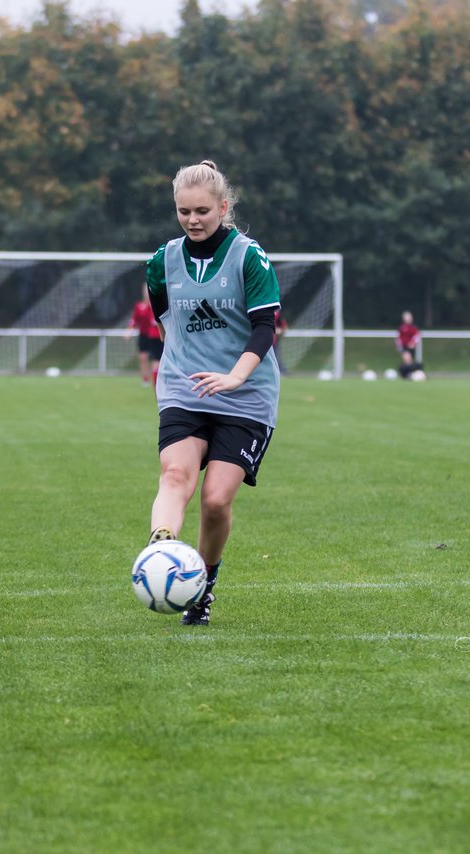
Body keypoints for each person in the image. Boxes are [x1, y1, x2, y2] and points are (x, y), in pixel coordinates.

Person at [143, 160, 281, 626]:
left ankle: (202, 585)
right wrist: (180, 370)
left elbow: (265, 327)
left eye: (202, 210)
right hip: (186, 388)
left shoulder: (249, 257)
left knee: (217, 499)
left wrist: (235, 377)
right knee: (175, 474)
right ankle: (162, 545)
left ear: (223, 207)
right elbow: (166, 324)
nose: (193, 220)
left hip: (247, 393)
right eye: (184, 212)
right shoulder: (161, 262)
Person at [127, 285, 163, 387]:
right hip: (147, 335)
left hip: (157, 335)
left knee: (157, 360)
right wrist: (129, 332)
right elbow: (135, 320)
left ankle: (158, 381)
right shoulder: (141, 307)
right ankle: (147, 379)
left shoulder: (158, 304)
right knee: (145, 358)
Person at [396, 310, 423, 378]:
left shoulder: (413, 328)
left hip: (410, 347)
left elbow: (417, 336)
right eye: (406, 318)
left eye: (409, 318)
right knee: (407, 360)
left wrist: (413, 343)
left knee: (410, 362)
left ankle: (412, 374)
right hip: (404, 347)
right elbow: (399, 338)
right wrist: (399, 346)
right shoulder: (401, 328)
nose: (408, 319)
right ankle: (408, 374)